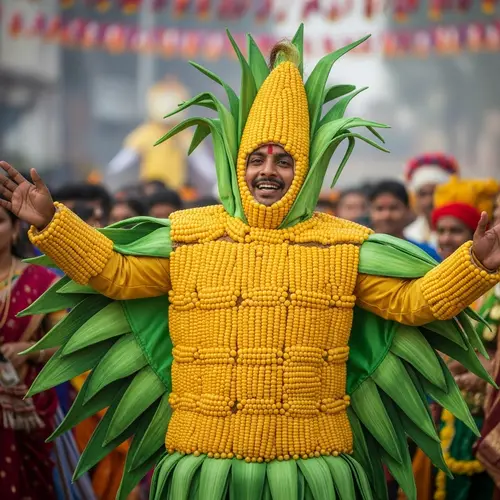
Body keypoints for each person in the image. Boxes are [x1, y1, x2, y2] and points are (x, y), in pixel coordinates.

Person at [1, 28, 500, 500]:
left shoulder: (344, 243)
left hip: (312, 467)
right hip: (203, 464)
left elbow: (414, 304)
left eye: (283, 160)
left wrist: (474, 262)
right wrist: (52, 222)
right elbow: (115, 273)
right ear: (238, 164)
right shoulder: (190, 234)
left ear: (303, 169)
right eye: (256, 158)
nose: (268, 170)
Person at [430, 177, 499, 500]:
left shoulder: (487, 286)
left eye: (455, 230)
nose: (445, 239)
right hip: (452, 412)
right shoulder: (427, 277)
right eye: (496, 215)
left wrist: (482, 374)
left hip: (485, 413)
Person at [0, 208, 63, 499]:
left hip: (26, 405)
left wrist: (29, 350)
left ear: (15, 228)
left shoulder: (41, 282)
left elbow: (68, 343)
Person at [369, 180, 441, 260]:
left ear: (407, 210)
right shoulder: (360, 252)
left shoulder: (426, 254)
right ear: (370, 211)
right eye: (379, 209)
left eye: (393, 208)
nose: (386, 215)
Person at [404, 153, 459, 248]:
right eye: (423, 194)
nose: (429, 201)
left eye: (435, 193)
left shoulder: (461, 233)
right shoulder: (408, 234)